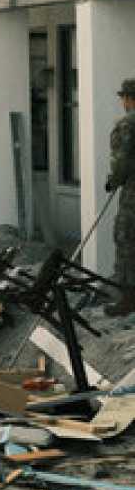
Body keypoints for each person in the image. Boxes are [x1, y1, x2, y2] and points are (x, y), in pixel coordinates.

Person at [105, 79, 135, 317]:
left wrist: (113, 180)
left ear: (128, 98)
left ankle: (127, 301)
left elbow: (121, 161)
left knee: (126, 240)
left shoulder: (128, 124)